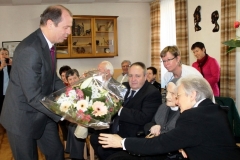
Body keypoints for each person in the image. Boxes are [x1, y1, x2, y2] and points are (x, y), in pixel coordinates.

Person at [98, 75, 240, 160]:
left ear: (193, 95)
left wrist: (122, 142)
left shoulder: (192, 116)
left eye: (178, 96)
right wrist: (186, 146)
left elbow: (160, 144)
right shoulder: (214, 109)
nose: (177, 101)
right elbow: (205, 140)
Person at [0, 5, 72, 160]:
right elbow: (32, 96)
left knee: (56, 153)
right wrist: (64, 115)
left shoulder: (50, 45)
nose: (69, 32)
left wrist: (72, 92)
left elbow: (51, 78)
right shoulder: (30, 49)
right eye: (66, 27)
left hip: (42, 112)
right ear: (51, 24)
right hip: (21, 118)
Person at [90, 62, 162, 160]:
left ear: (145, 77)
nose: (133, 79)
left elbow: (144, 117)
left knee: (109, 154)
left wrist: (120, 110)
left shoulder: (152, 93)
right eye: (130, 76)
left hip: (132, 136)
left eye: (137, 76)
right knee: (94, 138)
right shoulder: (124, 86)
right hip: (115, 129)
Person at [105, 78, 181, 160]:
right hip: (151, 146)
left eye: (172, 93)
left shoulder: (185, 113)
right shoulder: (163, 107)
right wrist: (153, 127)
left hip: (166, 152)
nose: (167, 96)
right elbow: (149, 123)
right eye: (167, 92)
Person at [64, 69, 86, 160]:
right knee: (71, 125)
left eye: (75, 78)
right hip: (78, 118)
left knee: (74, 127)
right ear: (67, 81)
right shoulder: (68, 91)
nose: (73, 81)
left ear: (79, 77)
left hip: (88, 117)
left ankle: (76, 157)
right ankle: (74, 154)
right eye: (70, 79)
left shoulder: (85, 87)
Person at [0, 48, 12, 115]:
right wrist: (1, 67)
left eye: (6, 54)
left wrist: (13, 65)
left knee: (8, 112)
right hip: (0, 93)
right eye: (2, 54)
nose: (4, 56)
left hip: (9, 93)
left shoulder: (11, 66)